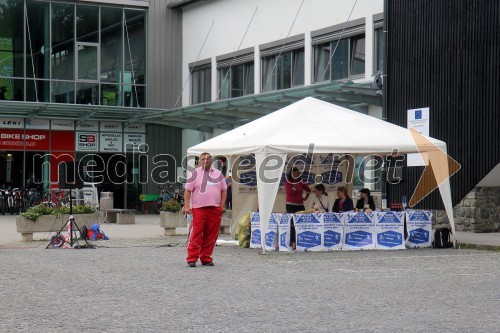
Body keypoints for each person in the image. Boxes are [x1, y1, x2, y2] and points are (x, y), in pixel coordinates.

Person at [183, 152, 227, 267]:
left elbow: (224, 190)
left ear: (211, 160)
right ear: (200, 161)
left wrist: (221, 205)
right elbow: (187, 190)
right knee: (196, 233)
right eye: (203, 159)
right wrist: (187, 205)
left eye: (207, 159)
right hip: (199, 209)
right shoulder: (194, 174)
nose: (205, 161)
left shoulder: (218, 174)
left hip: (214, 209)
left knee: (211, 234)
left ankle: (206, 258)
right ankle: (192, 258)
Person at [285, 167, 311, 249]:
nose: (296, 175)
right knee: (292, 224)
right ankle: (293, 241)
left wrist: (305, 198)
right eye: (294, 173)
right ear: (291, 174)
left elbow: (309, 190)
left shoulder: (301, 182)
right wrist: (295, 185)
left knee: (301, 223)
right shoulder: (288, 182)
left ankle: (301, 240)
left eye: (297, 173)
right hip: (291, 205)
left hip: (300, 205)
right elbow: (290, 192)